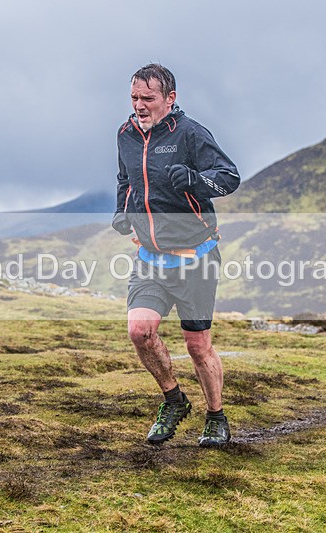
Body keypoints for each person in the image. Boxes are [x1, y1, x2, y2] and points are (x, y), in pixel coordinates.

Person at [112, 64, 240, 447]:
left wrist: (196, 180)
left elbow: (229, 177)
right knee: (139, 331)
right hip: (150, 258)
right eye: (134, 98)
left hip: (195, 258)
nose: (139, 106)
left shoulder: (191, 134)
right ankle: (174, 399)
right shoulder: (126, 135)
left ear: (170, 98)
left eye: (148, 99)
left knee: (197, 346)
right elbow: (126, 179)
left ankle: (216, 417)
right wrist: (122, 211)